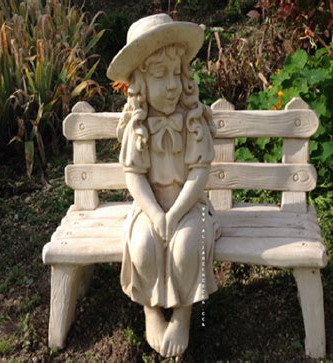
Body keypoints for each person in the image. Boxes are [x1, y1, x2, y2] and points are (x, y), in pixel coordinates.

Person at [107, 14, 220, 357]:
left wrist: (176, 213)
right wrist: (156, 214)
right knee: (142, 245)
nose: (171, 85)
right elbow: (134, 176)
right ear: (139, 82)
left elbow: (199, 174)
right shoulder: (138, 126)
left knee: (186, 247)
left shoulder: (193, 121)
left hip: (190, 205)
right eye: (160, 76)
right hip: (150, 206)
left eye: (176, 74)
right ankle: (151, 311)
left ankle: (184, 314)